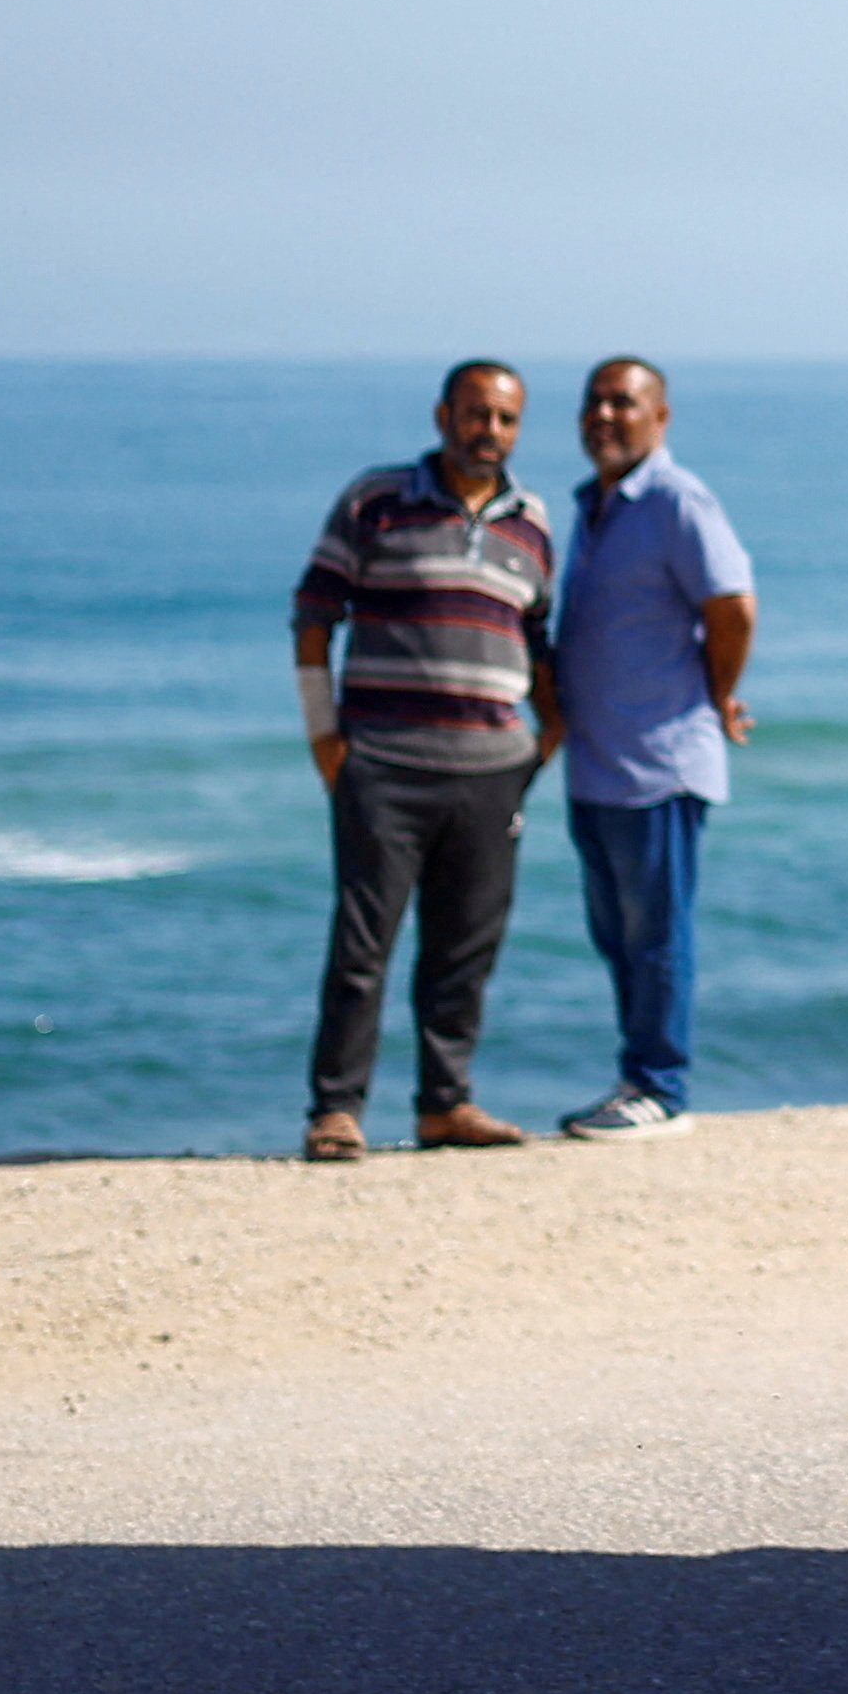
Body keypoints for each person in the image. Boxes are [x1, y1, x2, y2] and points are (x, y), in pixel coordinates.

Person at [289, 363, 557, 1160]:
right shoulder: (375, 499)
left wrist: (545, 741)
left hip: (491, 769)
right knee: (362, 947)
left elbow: (538, 641)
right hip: (384, 768)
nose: (491, 430)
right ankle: (336, 1110)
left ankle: (446, 1104)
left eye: (506, 418)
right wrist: (323, 737)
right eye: (477, 413)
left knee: (465, 948)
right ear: (444, 414)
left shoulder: (532, 522)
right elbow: (312, 614)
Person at [548, 358, 756, 1141]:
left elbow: (732, 604)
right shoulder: (593, 504)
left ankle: (660, 1089)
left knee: (656, 934)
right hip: (598, 766)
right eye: (593, 401)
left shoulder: (676, 498)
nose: (604, 414)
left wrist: (717, 687)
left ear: (659, 416)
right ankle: (635, 1077)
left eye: (622, 402)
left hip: (659, 765)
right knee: (618, 935)